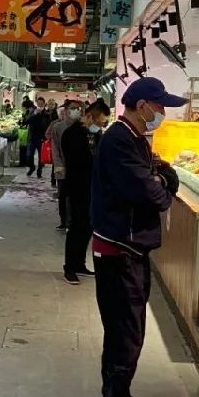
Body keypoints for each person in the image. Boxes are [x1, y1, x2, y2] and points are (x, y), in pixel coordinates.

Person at [90, 77, 186, 397]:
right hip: (119, 251)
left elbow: (159, 179)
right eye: (159, 106)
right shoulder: (119, 140)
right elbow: (155, 195)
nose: (162, 113)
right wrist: (162, 182)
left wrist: (161, 178)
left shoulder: (133, 138)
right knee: (126, 336)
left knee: (123, 332)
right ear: (142, 105)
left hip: (128, 249)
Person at [62, 100, 110, 284]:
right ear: (89, 117)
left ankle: (80, 263)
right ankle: (69, 267)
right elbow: (76, 162)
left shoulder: (96, 135)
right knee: (76, 227)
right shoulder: (72, 134)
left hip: (93, 188)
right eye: (99, 122)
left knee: (88, 226)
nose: (100, 126)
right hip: (77, 187)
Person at [47, 100, 80, 230]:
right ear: (65, 111)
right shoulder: (58, 127)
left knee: (76, 195)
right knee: (63, 195)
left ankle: (73, 221)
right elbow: (55, 147)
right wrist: (58, 165)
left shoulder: (82, 126)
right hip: (62, 165)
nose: (76, 110)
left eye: (78, 108)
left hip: (78, 167)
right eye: (73, 108)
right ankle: (64, 221)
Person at [24, 97, 51, 178]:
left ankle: (40, 170)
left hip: (42, 138)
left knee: (41, 157)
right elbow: (27, 121)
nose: (40, 105)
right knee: (29, 155)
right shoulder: (32, 112)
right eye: (38, 104)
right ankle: (32, 167)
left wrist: (47, 137)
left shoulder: (47, 114)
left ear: (44, 104)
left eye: (41, 104)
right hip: (32, 137)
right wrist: (34, 114)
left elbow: (48, 126)